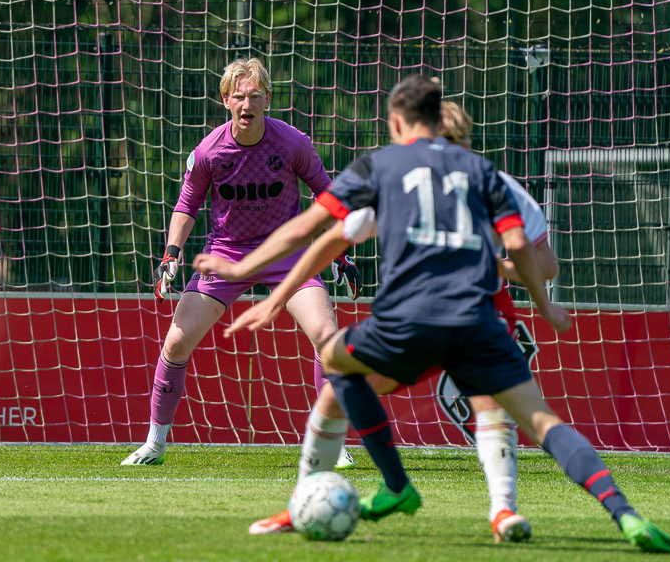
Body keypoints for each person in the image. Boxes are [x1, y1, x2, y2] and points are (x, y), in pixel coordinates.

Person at [194, 75, 670, 553]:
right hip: (479, 321)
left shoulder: (381, 165)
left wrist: (251, 274)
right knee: (544, 423)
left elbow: (310, 230)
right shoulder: (483, 171)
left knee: (336, 363)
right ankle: (626, 516)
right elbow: (521, 247)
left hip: (408, 319)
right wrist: (545, 303)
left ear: (400, 121)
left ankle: (394, 484)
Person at [237, 101, 561, 542]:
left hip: (466, 316)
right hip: (425, 320)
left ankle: (499, 510)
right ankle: (306, 503)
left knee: (493, 405)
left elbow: (540, 259)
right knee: (336, 393)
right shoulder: (410, 179)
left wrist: (503, 271)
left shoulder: (485, 181)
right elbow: (332, 236)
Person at [121, 57, 361, 467]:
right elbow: (187, 204)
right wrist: (171, 257)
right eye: (238, 96)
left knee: (326, 334)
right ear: (226, 101)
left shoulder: (292, 143)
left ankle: (329, 445)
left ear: (268, 99)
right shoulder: (209, 151)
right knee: (176, 341)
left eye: (254, 95)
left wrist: (340, 251)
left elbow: (327, 195)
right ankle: (155, 443)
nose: (246, 103)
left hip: (287, 252)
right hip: (226, 253)